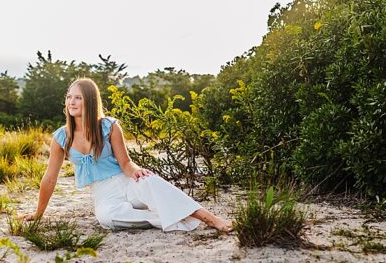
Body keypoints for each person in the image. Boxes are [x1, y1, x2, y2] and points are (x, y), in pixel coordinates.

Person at [23, 77, 233, 232]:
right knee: (108, 219)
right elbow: (50, 178)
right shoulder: (61, 137)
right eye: (69, 97)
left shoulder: (109, 126)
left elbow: (125, 163)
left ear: (90, 101)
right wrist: (39, 213)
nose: (72, 102)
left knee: (151, 182)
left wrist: (137, 171)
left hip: (126, 181)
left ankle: (211, 219)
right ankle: (169, 217)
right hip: (105, 194)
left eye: (78, 97)